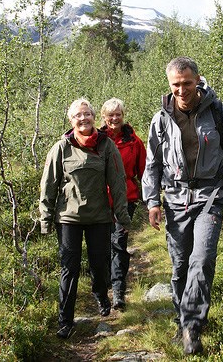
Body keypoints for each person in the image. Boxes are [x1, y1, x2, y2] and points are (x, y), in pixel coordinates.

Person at [142, 57, 223, 355]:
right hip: (175, 199)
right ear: (169, 84)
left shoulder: (218, 112)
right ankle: (182, 318)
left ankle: (192, 326)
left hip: (211, 196)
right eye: (175, 84)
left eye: (187, 83)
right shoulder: (161, 119)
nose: (181, 89)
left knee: (201, 259)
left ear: (198, 80)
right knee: (180, 265)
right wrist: (152, 202)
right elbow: (153, 164)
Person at [39, 98, 131, 339]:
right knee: (69, 267)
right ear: (71, 120)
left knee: (99, 264)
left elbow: (118, 183)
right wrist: (45, 218)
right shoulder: (61, 147)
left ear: (93, 117)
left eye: (87, 114)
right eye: (78, 115)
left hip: (100, 217)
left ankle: (100, 294)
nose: (83, 118)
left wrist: (122, 216)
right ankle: (65, 321)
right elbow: (49, 184)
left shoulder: (106, 145)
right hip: (68, 217)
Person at [100, 97, 146, 310]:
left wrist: (150, 198)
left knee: (119, 242)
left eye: (118, 114)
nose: (115, 118)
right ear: (104, 117)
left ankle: (118, 291)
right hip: (98, 199)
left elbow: (144, 170)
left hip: (125, 198)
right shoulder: (96, 140)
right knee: (101, 244)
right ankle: (102, 288)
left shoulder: (134, 141)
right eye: (111, 115)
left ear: (123, 116)